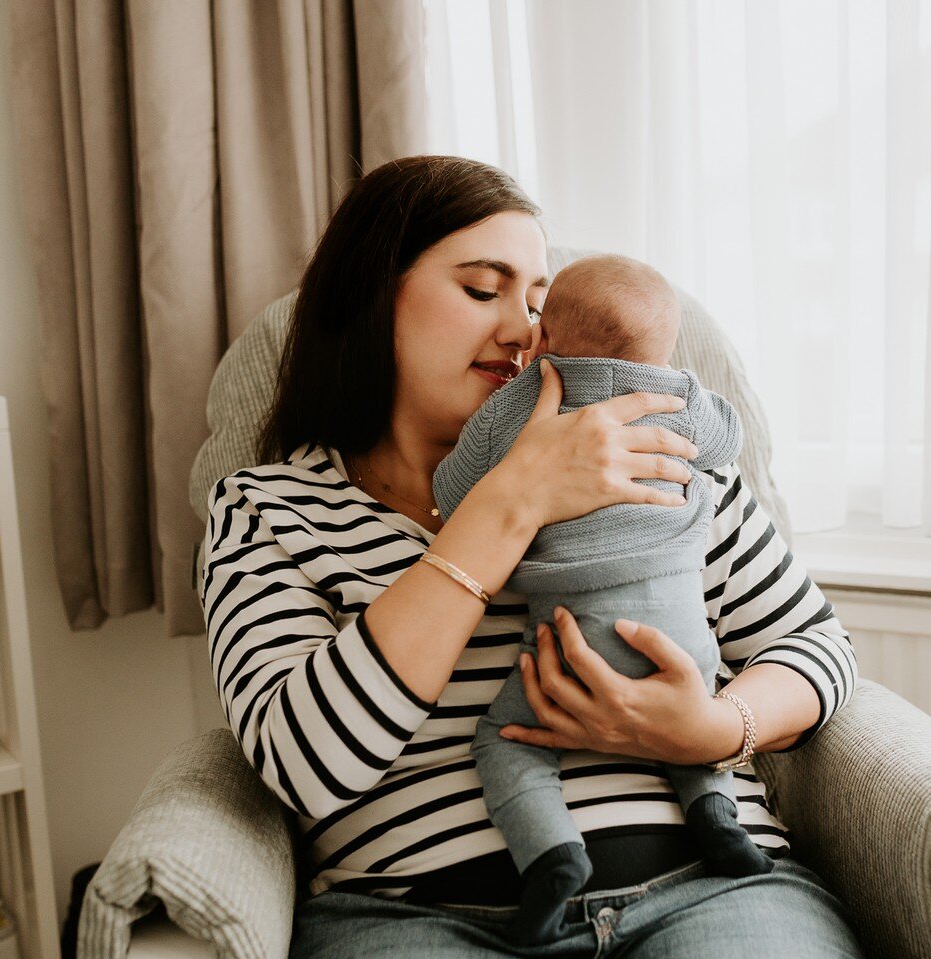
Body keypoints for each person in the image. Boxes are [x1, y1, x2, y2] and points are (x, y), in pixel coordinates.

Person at [200, 155, 865, 958]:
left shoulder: (653, 449)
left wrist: (719, 727)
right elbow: (304, 763)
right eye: (484, 290)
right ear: (372, 296)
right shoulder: (269, 508)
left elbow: (819, 647)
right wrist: (514, 499)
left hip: (710, 887)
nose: (523, 331)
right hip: (419, 918)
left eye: (539, 304)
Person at [431, 254, 771, 946]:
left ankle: (553, 854)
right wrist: (686, 388)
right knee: (693, 701)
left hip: (570, 627)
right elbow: (730, 439)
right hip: (680, 631)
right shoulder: (676, 396)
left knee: (507, 739)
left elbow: (452, 487)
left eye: (535, 312)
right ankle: (713, 811)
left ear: (547, 337)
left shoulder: (523, 404)